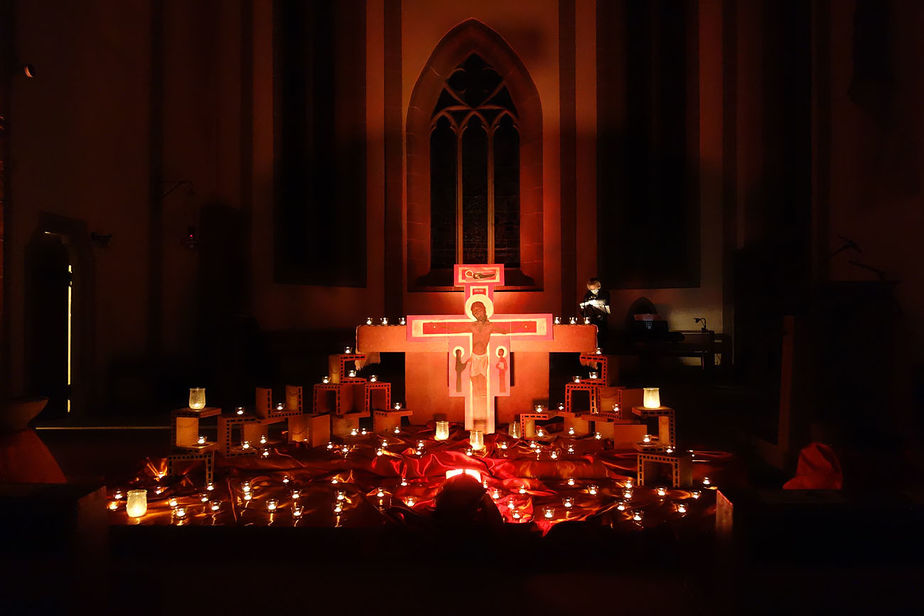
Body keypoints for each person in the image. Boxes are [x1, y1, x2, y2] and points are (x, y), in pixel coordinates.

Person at [580, 277, 611, 350]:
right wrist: (583, 306)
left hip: (601, 319)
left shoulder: (604, 293)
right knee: (591, 336)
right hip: (591, 318)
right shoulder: (587, 294)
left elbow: (604, 302)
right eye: (591, 290)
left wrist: (592, 302)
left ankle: (601, 349)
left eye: (595, 289)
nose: (593, 291)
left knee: (601, 335)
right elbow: (584, 304)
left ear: (598, 287)